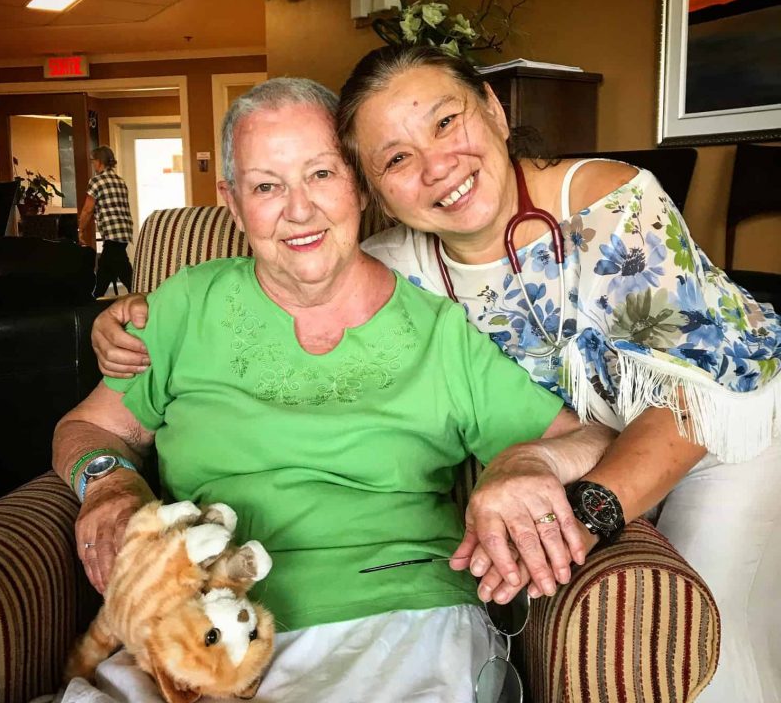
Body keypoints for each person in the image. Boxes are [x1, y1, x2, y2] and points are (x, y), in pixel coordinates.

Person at [97, 47, 781, 703]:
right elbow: (305, 273)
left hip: (720, 427)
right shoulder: (395, 260)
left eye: (446, 122)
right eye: (397, 157)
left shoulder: (608, 200)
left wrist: (574, 509)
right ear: (372, 188)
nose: (436, 166)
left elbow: (700, 390)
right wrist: (135, 316)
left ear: (494, 109)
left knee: (709, 650)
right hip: (592, 442)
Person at [56, 78, 615, 703]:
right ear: (233, 204)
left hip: (400, 619)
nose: (299, 210)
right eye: (267, 186)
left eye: (321, 174)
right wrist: (106, 484)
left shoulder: (438, 330)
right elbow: (89, 427)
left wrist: (531, 461)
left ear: (358, 185)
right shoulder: (184, 304)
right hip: (201, 627)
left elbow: (588, 438)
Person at [78, 145, 134, 297]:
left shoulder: (96, 181)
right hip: (124, 230)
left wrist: (80, 230)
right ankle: (96, 297)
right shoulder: (120, 181)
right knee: (109, 265)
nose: (92, 164)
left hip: (111, 231)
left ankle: (140, 294)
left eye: (93, 161)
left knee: (121, 268)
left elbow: (87, 209)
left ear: (99, 161)